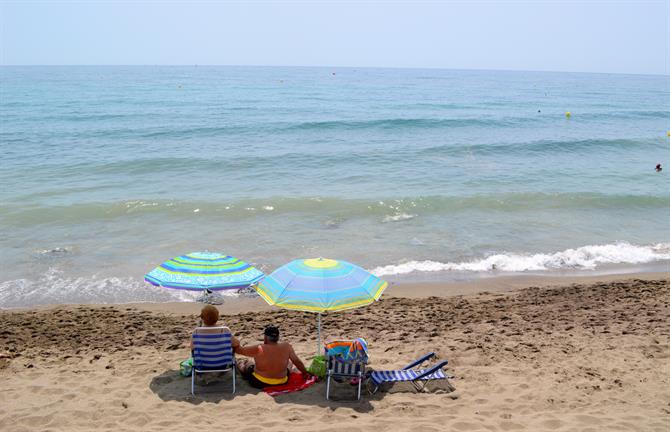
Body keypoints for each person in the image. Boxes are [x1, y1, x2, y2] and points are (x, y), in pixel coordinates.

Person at [235, 325, 311, 388]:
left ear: (265, 337)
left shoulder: (259, 348)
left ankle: (240, 368)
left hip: (260, 382)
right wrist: (304, 373)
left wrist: (236, 342)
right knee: (289, 363)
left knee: (247, 363)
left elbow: (239, 350)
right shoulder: (287, 346)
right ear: (278, 338)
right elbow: (297, 361)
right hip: (282, 381)